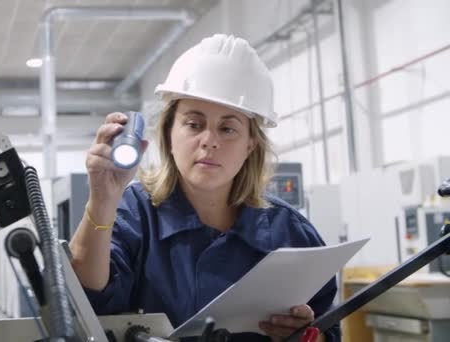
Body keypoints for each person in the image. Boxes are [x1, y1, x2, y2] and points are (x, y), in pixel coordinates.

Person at [69, 34, 340, 341]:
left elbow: (329, 326)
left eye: (227, 128)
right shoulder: (134, 214)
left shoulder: (290, 232)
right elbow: (86, 303)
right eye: (194, 124)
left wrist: (310, 336)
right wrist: (102, 200)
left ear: (250, 144)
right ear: (169, 132)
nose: (209, 140)